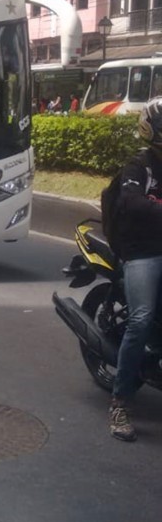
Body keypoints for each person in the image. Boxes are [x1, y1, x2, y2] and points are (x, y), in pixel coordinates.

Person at [109, 98, 162, 441]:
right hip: (143, 252)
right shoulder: (138, 165)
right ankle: (120, 403)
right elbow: (130, 202)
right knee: (141, 319)